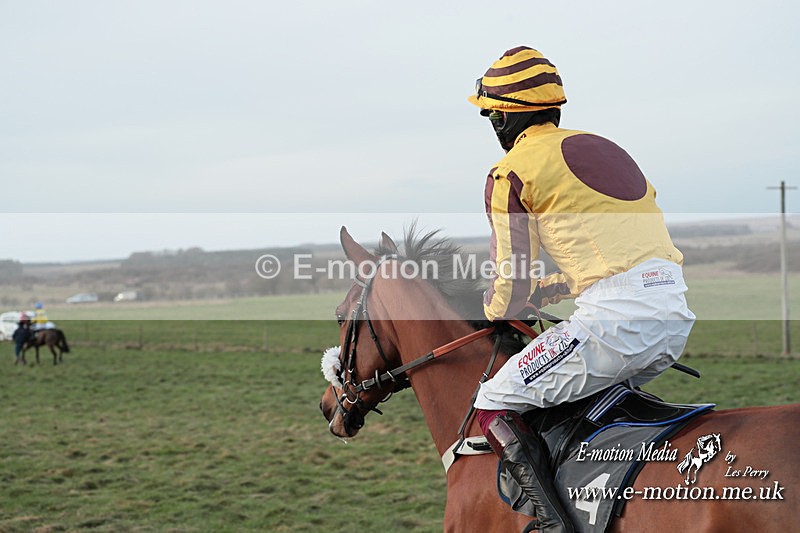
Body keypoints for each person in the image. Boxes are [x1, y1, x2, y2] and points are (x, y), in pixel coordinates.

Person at [468, 46, 695, 532]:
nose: (490, 121)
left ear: (505, 117)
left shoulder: (509, 172)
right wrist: (549, 291)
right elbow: (609, 260)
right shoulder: (606, 147)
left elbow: (511, 284)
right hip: (673, 316)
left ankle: (553, 526)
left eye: (490, 112)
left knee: (493, 401)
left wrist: (493, 307)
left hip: (614, 324)